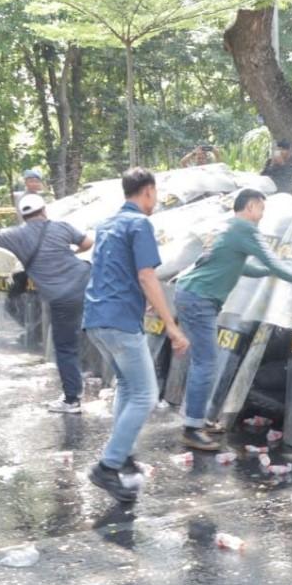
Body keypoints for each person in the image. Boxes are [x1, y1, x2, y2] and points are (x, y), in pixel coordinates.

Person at [173, 188, 292, 449]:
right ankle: (192, 428)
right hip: (198, 299)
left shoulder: (227, 228)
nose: (262, 215)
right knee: (205, 363)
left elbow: (235, 264)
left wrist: (263, 273)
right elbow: (274, 262)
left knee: (204, 362)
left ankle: (197, 418)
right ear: (250, 206)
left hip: (191, 295)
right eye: (261, 208)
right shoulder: (244, 229)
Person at [83, 169, 189, 503]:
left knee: (128, 387)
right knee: (146, 393)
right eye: (155, 194)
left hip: (97, 318)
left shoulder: (107, 225)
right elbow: (147, 275)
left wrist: (139, 300)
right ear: (147, 191)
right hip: (119, 321)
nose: (155, 200)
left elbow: (112, 270)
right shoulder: (139, 224)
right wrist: (171, 324)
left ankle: (123, 454)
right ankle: (108, 465)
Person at [0, 192, 94, 413]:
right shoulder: (61, 227)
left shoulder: (16, 235)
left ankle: (72, 399)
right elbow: (88, 242)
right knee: (104, 335)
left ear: (23, 216)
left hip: (63, 298)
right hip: (88, 283)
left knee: (65, 348)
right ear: (44, 210)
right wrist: (73, 250)